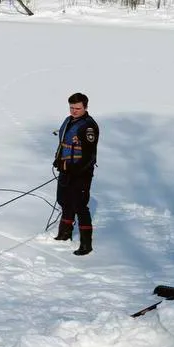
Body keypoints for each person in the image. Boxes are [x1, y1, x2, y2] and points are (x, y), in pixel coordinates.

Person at [52, 92, 100, 256]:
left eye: (77, 108)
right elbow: (64, 144)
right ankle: (64, 234)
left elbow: (89, 155)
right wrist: (58, 160)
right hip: (66, 169)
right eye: (71, 108)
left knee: (80, 205)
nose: (74, 111)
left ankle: (86, 245)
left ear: (85, 107)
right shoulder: (68, 121)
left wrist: (76, 169)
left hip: (82, 173)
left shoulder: (88, 127)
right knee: (64, 201)